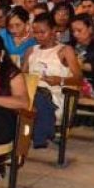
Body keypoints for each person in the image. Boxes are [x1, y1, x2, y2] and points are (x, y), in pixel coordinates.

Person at [24, 13, 82, 148]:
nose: (38, 36)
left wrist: (60, 80)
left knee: (38, 98)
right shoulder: (31, 50)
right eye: (35, 32)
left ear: (54, 30)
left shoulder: (64, 50)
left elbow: (79, 79)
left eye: (42, 32)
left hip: (55, 95)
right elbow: (23, 76)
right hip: (31, 93)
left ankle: (38, 135)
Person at [72, 14, 94, 100]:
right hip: (74, 89)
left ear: (90, 29)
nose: (75, 34)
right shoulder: (71, 47)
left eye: (79, 30)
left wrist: (86, 66)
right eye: (73, 31)